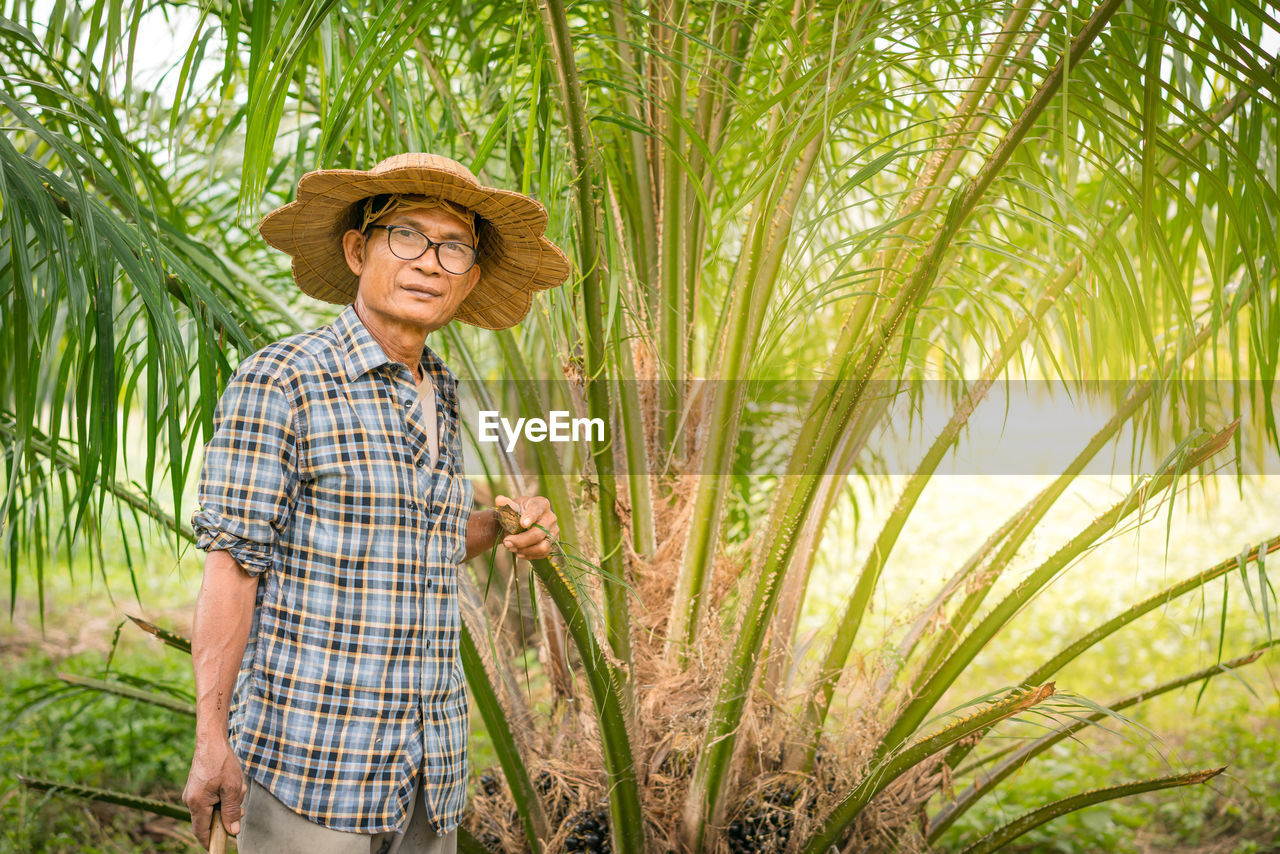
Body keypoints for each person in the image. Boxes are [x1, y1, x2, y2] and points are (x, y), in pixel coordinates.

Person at [182, 153, 571, 853]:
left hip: (430, 773)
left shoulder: (440, 391)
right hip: (315, 770)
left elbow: (415, 536)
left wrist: (509, 524)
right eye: (407, 236)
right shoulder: (283, 379)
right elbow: (232, 568)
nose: (430, 261)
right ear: (359, 249)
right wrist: (211, 740)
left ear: (470, 278)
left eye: (453, 247)